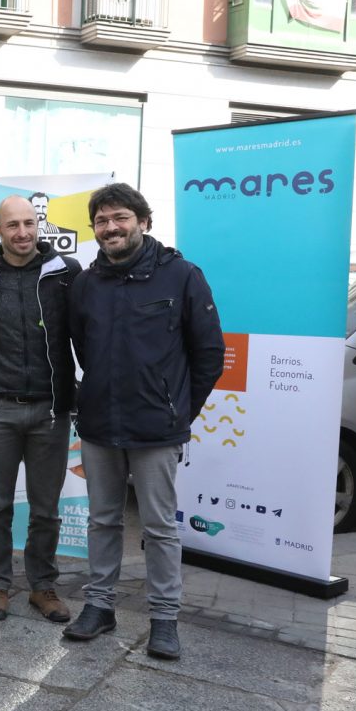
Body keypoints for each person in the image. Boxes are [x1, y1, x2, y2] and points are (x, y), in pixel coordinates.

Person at [65, 182, 224, 660]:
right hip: (99, 425)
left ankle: (164, 619)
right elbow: (81, 347)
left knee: (159, 527)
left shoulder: (182, 276)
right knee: (102, 520)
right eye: (102, 220)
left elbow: (209, 354)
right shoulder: (87, 283)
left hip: (157, 428)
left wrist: (178, 409)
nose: (111, 227)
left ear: (143, 222)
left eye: (121, 218)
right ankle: (99, 606)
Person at [0, 195, 81, 623]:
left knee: (46, 508)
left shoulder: (65, 274)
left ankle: (43, 587)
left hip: (51, 411)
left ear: (39, 226)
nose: (22, 233)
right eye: (12, 225)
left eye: (29, 223)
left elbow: (82, 333)